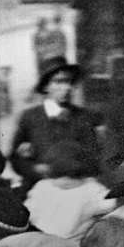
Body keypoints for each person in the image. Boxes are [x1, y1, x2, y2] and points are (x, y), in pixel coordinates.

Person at [8, 57, 103, 187]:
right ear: (46, 86)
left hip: (77, 187)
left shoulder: (84, 117)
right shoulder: (30, 118)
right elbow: (16, 159)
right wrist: (34, 169)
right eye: (59, 82)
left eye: (69, 82)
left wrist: (71, 171)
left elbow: (94, 157)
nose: (66, 87)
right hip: (39, 187)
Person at [24, 140, 112, 242]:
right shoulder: (93, 189)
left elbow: (29, 214)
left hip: (40, 243)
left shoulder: (42, 187)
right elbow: (112, 206)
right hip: (71, 246)